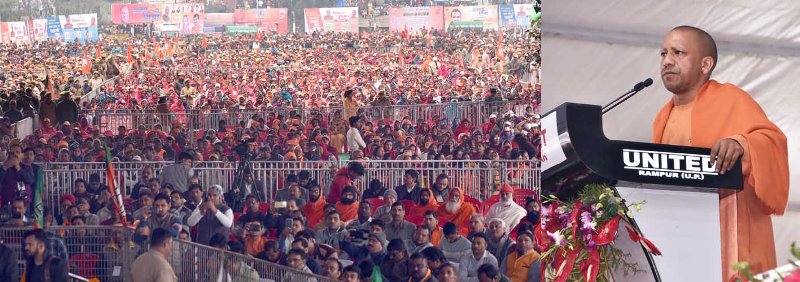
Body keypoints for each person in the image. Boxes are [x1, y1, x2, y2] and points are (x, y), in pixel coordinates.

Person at [654, 26, 789, 278]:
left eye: (678, 53)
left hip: (731, 233)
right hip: (683, 237)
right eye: (663, 54)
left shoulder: (731, 98)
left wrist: (741, 144)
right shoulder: (662, 117)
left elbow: (772, 140)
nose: (667, 61)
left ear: (705, 64)